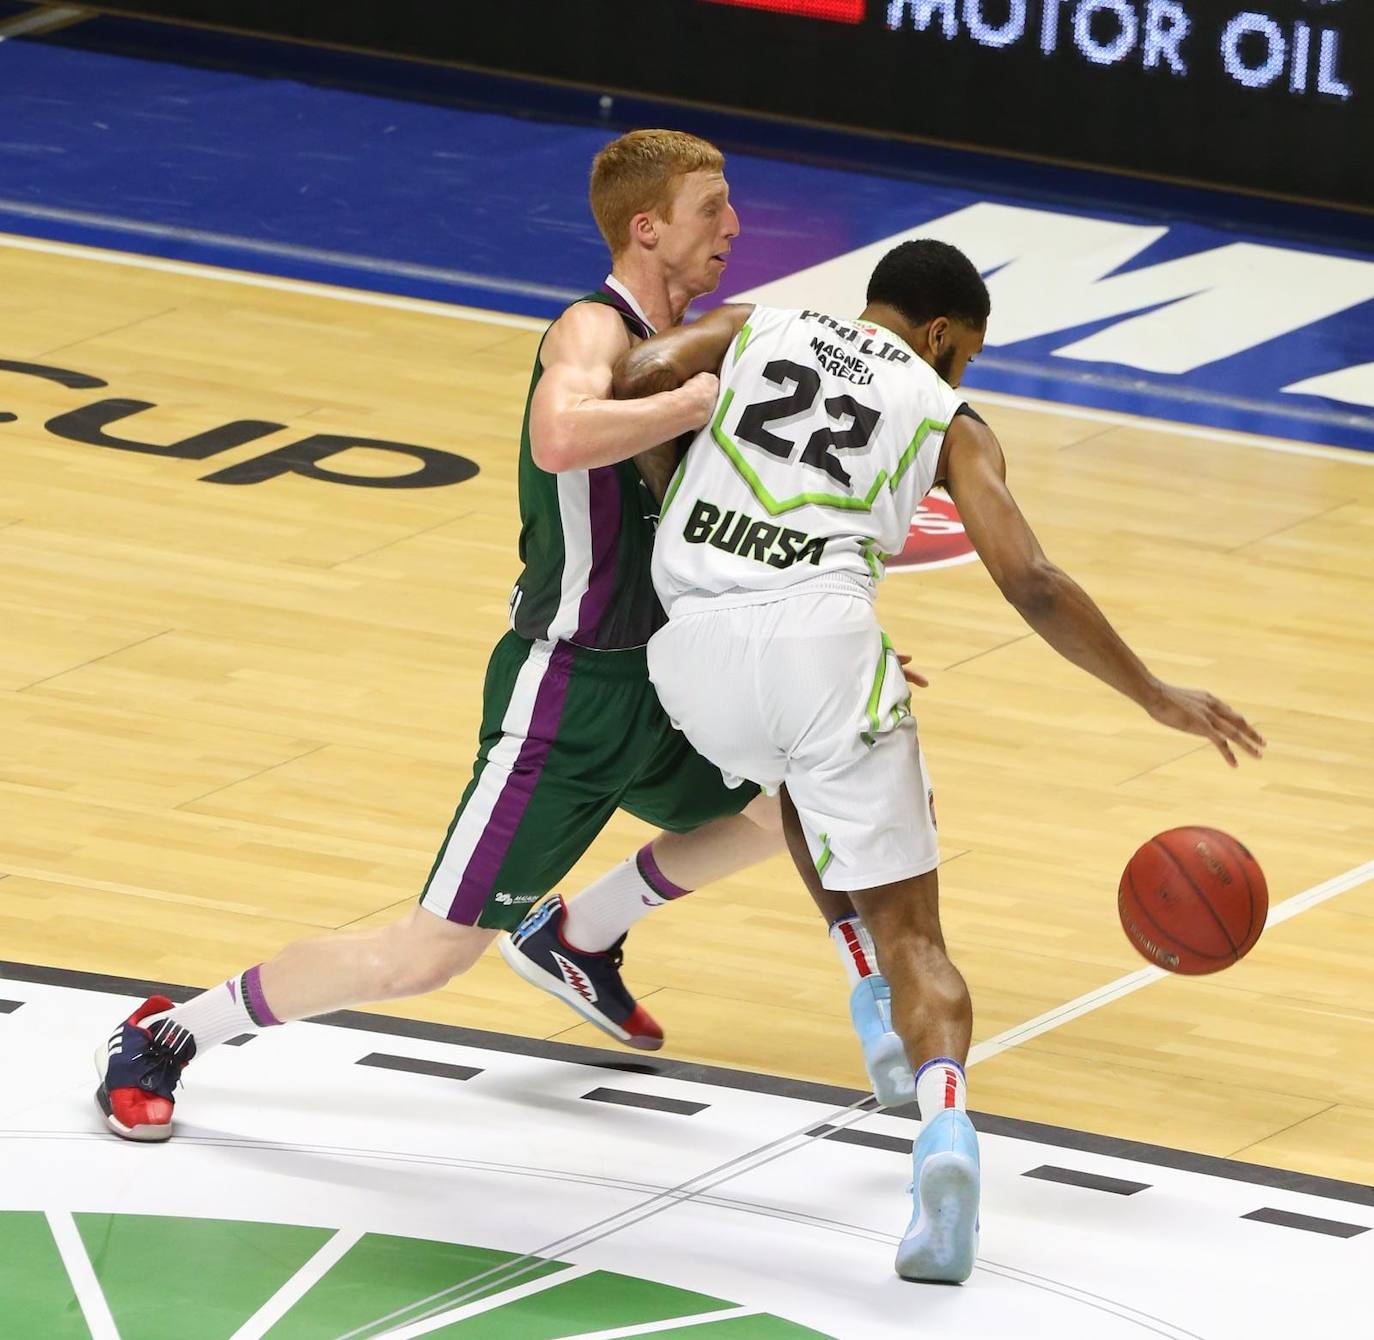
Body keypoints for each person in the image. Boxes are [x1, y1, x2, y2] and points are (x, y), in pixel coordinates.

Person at [94, 129, 912, 1142]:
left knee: (815, 786)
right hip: (566, 695)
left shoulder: (712, 342)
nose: (735, 227)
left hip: (671, 678)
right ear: (646, 226)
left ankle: (582, 930)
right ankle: (170, 1032)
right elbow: (559, 433)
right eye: (713, 209)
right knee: (425, 956)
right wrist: (696, 402)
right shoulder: (591, 330)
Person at [610, 238, 1266, 1282]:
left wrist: (676, 476)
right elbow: (1033, 580)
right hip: (823, 638)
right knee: (917, 922)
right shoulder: (947, 409)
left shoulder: (756, 327)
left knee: (794, 773)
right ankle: (945, 1131)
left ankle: (864, 987)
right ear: (943, 334)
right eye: (968, 356)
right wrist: (1153, 693)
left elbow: (638, 374)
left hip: (689, 652)